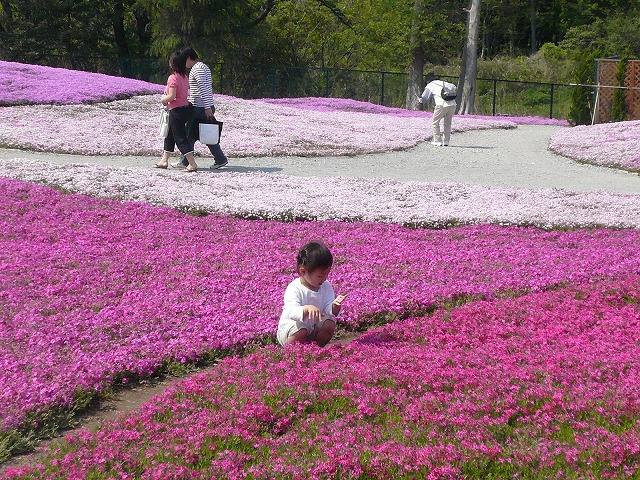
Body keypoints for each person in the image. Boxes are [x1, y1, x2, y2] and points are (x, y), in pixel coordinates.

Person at [277, 241, 348, 347]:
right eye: (320, 276)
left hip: (312, 329)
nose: (324, 279)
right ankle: (291, 355)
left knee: (329, 324)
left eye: (327, 274)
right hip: (289, 330)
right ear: (303, 271)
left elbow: (328, 308)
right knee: (301, 330)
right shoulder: (294, 287)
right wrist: (306, 309)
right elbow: (291, 312)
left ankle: (314, 351)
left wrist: (334, 306)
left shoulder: (326, 285)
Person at [178, 47, 229, 169]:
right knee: (205, 133)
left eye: (184, 61)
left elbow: (204, 89)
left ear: (189, 58)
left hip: (199, 107)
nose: (184, 65)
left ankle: (185, 161)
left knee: (190, 134)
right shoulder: (203, 67)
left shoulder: (198, 69)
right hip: (202, 106)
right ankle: (220, 158)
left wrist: (207, 107)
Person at [154, 51, 198, 172]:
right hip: (184, 109)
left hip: (176, 111)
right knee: (170, 135)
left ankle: (192, 163)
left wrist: (163, 99)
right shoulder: (184, 76)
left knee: (180, 138)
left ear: (173, 63)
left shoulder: (173, 78)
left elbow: (172, 96)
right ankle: (164, 160)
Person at [418, 72, 457, 146]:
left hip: (441, 105)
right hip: (452, 105)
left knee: (435, 122)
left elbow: (425, 98)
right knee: (447, 123)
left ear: (428, 80)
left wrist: (420, 100)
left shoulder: (431, 85)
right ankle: (446, 141)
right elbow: (454, 87)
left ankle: (437, 141)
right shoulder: (444, 83)